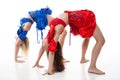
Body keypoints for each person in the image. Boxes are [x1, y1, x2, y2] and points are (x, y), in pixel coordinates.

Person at [42, 9, 105, 75]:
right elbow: (52, 51)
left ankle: (83, 58)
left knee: (88, 36)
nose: (43, 45)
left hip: (78, 17)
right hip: (81, 19)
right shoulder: (57, 30)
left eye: (44, 46)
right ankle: (92, 67)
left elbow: (50, 50)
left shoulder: (50, 33)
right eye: (45, 47)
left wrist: (39, 62)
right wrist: (49, 69)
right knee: (101, 41)